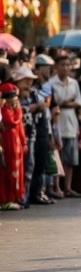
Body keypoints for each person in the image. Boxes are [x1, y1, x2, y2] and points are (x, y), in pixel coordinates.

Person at [17, 65, 52, 206]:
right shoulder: (12, 94)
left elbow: (41, 108)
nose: (29, 84)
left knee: (32, 166)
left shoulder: (34, 93)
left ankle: (31, 195)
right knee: (20, 168)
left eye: (30, 80)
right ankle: (20, 196)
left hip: (32, 134)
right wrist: (32, 108)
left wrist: (39, 107)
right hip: (17, 136)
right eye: (25, 80)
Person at [49, 55, 81, 199]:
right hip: (58, 124)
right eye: (62, 65)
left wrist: (64, 103)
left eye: (68, 65)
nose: (65, 68)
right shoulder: (51, 83)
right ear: (56, 66)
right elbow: (53, 104)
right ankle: (57, 188)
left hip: (71, 123)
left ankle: (68, 188)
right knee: (58, 158)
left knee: (70, 159)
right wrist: (66, 102)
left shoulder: (74, 83)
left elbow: (78, 103)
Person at [1, 82, 26, 210]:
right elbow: (11, 121)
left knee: (18, 170)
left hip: (16, 142)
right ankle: (8, 198)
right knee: (9, 170)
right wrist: (19, 112)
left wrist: (23, 142)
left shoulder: (13, 108)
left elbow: (20, 126)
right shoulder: (5, 109)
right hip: (7, 141)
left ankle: (16, 196)